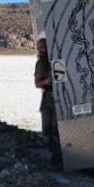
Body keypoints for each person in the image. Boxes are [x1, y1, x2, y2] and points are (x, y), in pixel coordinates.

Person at [34, 38, 63, 171]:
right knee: (47, 130)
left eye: (43, 47)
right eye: (39, 48)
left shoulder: (58, 59)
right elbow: (37, 83)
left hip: (60, 97)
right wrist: (46, 81)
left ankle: (60, 158)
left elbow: (62, 78)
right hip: (47, 98)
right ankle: (53, 158)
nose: (40, 50)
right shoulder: (40, 63)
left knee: (57, 129)